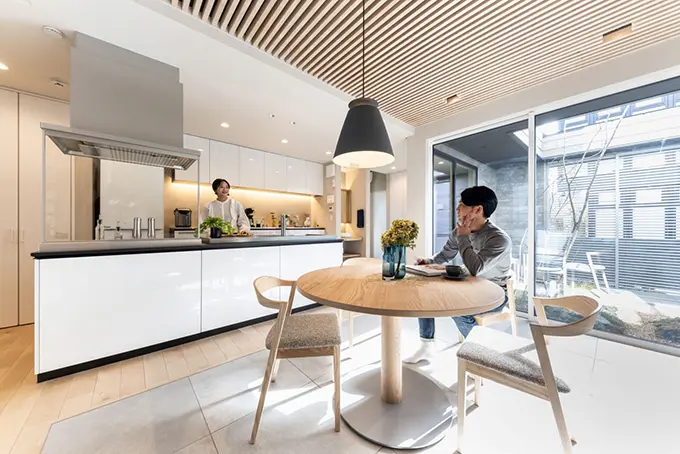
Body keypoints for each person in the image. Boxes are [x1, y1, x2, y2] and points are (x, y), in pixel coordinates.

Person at [404, 185, 512, 364]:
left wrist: (463, 237)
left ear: (478, 210)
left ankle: (480, 355)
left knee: (459, 310)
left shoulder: (498, 239)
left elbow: (475, 268)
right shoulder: (458, 232)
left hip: (494, 295)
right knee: (425, 296)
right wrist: (428, 261)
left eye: (462, 204)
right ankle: (426, 346)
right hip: (468, 287)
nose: (457, 209)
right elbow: (445, 255)